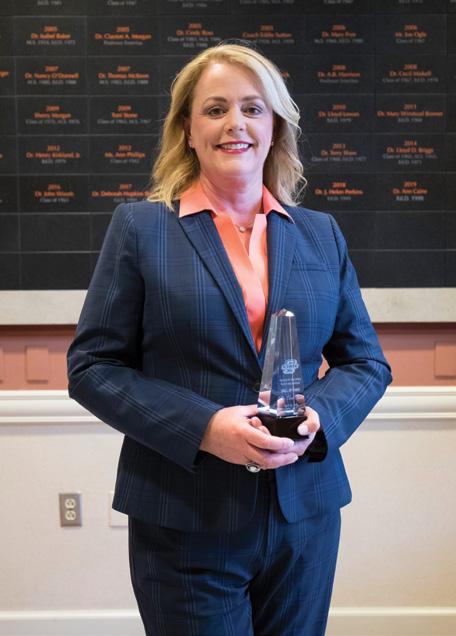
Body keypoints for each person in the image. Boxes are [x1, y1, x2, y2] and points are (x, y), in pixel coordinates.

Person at [67, 42, 392, 636]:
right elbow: (93, 367)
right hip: (185, 517)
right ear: (187, 131)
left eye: (252, 108)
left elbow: (366, 362)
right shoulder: (140, 228)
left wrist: (317, 418)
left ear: (275, 128)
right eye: (215, 109)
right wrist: (206, 428)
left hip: (304, 516)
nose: (235, 123)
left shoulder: (321, 234)